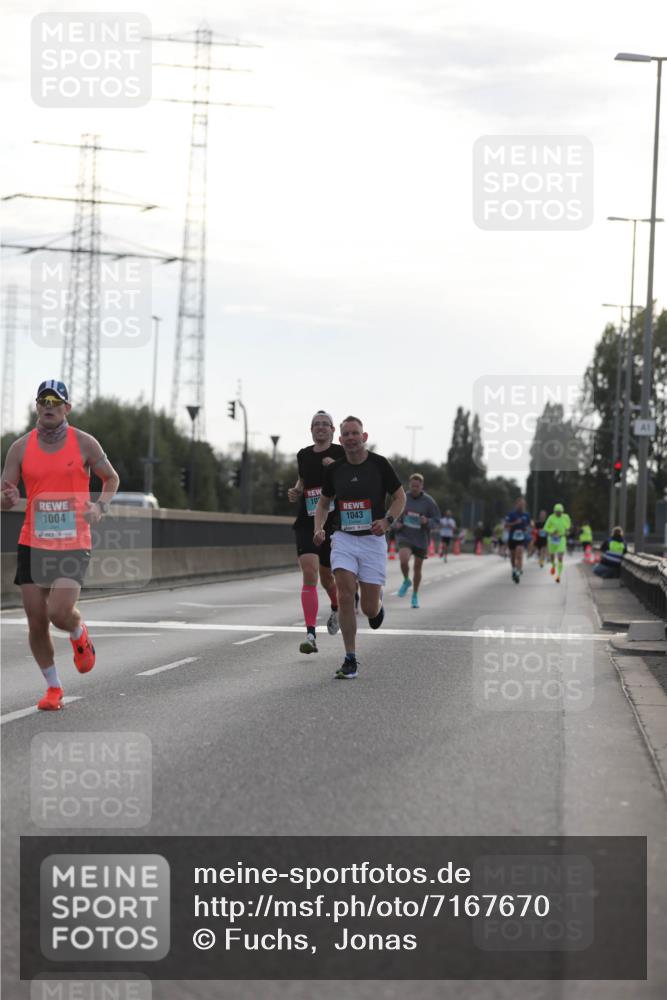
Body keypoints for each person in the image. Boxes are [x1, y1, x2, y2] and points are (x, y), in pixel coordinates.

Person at [0, 380, 119, 710]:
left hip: (72, 541)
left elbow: (111, 478)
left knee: (59, 613)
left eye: (55, 401)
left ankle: (78, 631)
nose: (49, 405)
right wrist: (6, 499)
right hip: (33, 542)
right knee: (37, 620)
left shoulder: (84, 442)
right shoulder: (20, 448)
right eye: (43, 400)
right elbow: (4, 495)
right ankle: (53, 688)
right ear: (37, 406)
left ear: (67, 407)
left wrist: (100, 506)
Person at [313, 416, 405, 679]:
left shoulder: (379, 464)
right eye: (346, 434)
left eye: (355, 433)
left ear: (364, 437)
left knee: (368, 609)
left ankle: (377, 605)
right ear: (340, 440)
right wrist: (318, 528)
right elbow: (323, 504)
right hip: (343, 538)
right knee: (345, 595)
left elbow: (400, 497)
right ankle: (350, 658)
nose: (351, 438)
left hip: (372, 540)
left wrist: (387, 521)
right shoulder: (335, 470)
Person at [287, 410, 344, 655]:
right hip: (307, 521)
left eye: (325, 424)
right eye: (316, 424)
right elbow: (302, 479)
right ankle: (310, 634)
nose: (320, 427)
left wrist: (337, 468)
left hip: (334, 522)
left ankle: (336, 606)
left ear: (332, 430)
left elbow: (352, 478)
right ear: (311, 430)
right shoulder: (303, 454)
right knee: (309, 573)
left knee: (327, 578)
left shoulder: (342, 453)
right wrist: (296, 490)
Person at [394, 473, 441, 608]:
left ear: (422, 486)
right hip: (405, 536)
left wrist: (427, 521)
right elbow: (392, 514)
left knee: (417, 568)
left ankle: (414, 595)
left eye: (417, 486)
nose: (414, 488)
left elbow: (437, 520)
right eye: (412, 486)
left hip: (421, 539)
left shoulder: (429, 502)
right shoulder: (403, 498)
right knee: (403, 559)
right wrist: (396, 524)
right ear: (409, 485)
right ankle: (406, 580)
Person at [504, 496, 531, 583]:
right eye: (520, 504)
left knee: (519, 554)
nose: (522, 506)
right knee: (513, 557)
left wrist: (528, 528)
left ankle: (518, 572)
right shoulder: (511, 514)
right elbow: (506, 525)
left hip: (522, 538)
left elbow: (529, 525)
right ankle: (514, 569)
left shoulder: (527, 515)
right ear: (516, 505)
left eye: (523, 504)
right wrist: (515, 523)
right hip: (512, 537)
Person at [544, 502, 572, 583]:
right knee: (552, 556)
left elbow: (568, 526)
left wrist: (567, 530)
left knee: (560, 556)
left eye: (560, 512)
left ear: (562, 511)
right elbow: (545, 528)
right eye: (557, 512)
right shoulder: (551, 518)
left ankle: (558, 576)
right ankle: (553, 565)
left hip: (561, 539)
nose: (558, 513)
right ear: (554, 511)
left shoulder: (565, 517)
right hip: (552, 539)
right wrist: (552, 531)